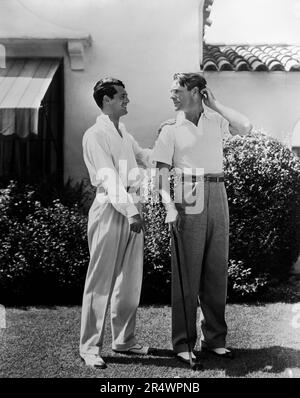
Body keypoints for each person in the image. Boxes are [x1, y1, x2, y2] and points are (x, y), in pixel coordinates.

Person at [152, 72, 252, 365]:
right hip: (188, 191)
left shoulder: (216, 120)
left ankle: (214, 339)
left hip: (217, 190)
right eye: (171, 90)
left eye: (177, 90)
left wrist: (217, 103)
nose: (172, 95)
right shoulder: (169, 128)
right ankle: (183, 343)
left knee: (216, 269)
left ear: (196, 92)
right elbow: (160, 174)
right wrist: (169, 205)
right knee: (187, 271)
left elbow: (246, 126)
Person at [80, 77, 152, 369]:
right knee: (100, 280)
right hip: (110, 209)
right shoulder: (95, 135)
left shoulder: (123, 132)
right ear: (106, 99)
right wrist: (131, 211)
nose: (127, 100)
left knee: (130, 279)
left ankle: (124, 340)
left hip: (131, 207)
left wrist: (165, 152)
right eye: (122, 95)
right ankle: (89, 347)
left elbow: (142, 156)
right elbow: (109, 177)